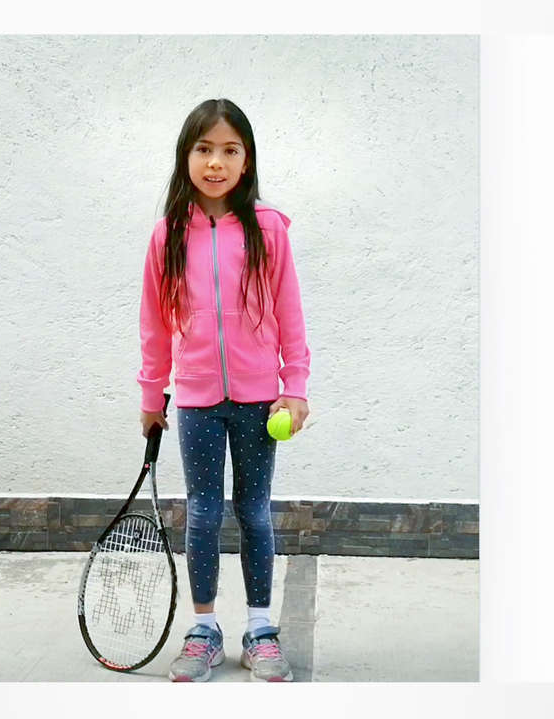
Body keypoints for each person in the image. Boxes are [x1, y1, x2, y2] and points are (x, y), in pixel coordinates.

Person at [137, 98, 311, 682]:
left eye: (229, 150)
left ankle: (260, 630)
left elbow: (290, 313)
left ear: (247, 160)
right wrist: (151, 397)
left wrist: (295, 386)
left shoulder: (269, 228)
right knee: (204, 514)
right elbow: (154, 323)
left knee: (254, 512)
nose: (216, 162)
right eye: (204, 149)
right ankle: (204, 630)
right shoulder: (167, 235)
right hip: (196, 402)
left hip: (261, 400)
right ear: (185, 156)